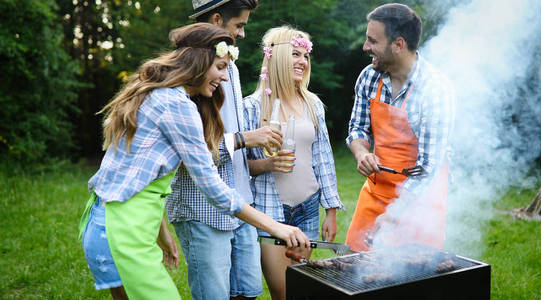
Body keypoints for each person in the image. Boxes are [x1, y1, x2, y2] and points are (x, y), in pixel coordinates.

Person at [78, 23, 310, 300]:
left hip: (103, 222)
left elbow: (136, 177)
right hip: (122, 233)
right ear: (200, 63)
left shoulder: (155, 93)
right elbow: (212, 187)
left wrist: (161, 231)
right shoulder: (177, 105)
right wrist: (276, 226)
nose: (225, 77)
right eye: (221, 67)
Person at [166, 1, 281, 300]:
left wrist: (262, 158)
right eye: (239, 25)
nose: (243, 34)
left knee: (247, 291)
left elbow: (236, 142)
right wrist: (246, 138)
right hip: (203, 209)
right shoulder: (187, 81)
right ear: (217, 19)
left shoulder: (232, 70)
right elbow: (195, 155)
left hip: (241, 204)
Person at [243, 25, 345, 300]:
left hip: (308, 209)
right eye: (295, 54)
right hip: (270, 212)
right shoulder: (252, 107)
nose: (302, 61)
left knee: (301, 289)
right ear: (275, 59)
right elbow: (238, 169)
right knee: (283, 291)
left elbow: (323, 158)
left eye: (306, 56)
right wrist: (267, 165)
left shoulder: (312, 104)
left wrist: (331, 209)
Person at [345, 3, 455, 252]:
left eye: (372, 41)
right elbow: (357, 128)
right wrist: (362, 153)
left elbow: (428, 167)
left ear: (398, 44)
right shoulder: (368, 77)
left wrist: (395, 213)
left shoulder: (434, 90)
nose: (365, 47)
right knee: (356, 272)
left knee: (412, 277)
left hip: (421, 202)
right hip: (375, 193)